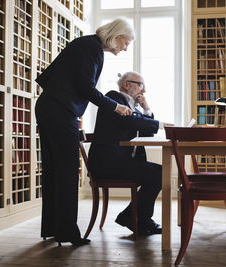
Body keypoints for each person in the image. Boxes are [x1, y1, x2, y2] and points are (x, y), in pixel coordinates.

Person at [35, 18, 134, 246]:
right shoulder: (92, 48)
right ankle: (68, 232)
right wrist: (114, 105)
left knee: (54, 169)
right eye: (125, 42)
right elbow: (85, 87)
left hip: (51, 107)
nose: (125, 47)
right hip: (60, 110)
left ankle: (53, 228)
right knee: (67, 170)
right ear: (116, 35)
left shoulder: (86, 45)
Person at [88, 71, 171, 235]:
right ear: (127, 85)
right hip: (108, 162)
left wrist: (146, 108)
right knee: (160, 173)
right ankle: (135, 218)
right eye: (141, 85)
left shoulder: (134, 108)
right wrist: (162, 124)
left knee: (160, 173)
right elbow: (130, 120)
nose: (144, 91)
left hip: (122, 161)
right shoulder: (113, 98)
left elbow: (147, 133)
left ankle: (136, 218)